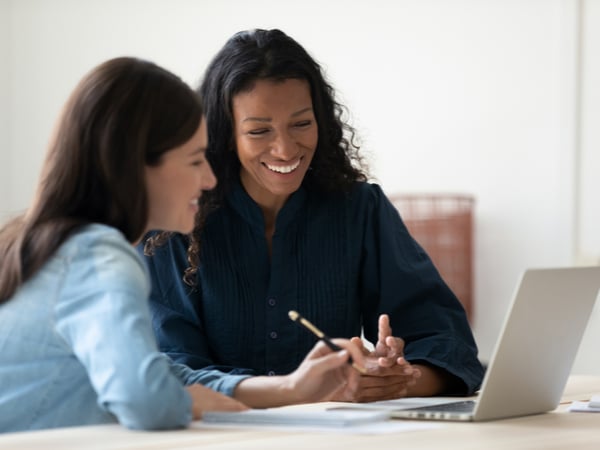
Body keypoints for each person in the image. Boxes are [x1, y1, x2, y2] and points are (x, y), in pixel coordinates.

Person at [0, 56, 364, 433]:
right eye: (194, 161)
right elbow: (147, 399)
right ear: (135, 166)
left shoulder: (51, 247)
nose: (209, 179)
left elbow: (157, 375)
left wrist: (291, 387)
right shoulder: (99, 256)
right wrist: (187, 401)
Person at [139, 29, 484, 406]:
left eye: (302, 124)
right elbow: (169, 369)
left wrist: (394, 379)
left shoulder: (359, 209)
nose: (286, 148)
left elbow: (451, 345)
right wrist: (294, 391)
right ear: (225, 135)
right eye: (259, 131)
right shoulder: (174, 223)